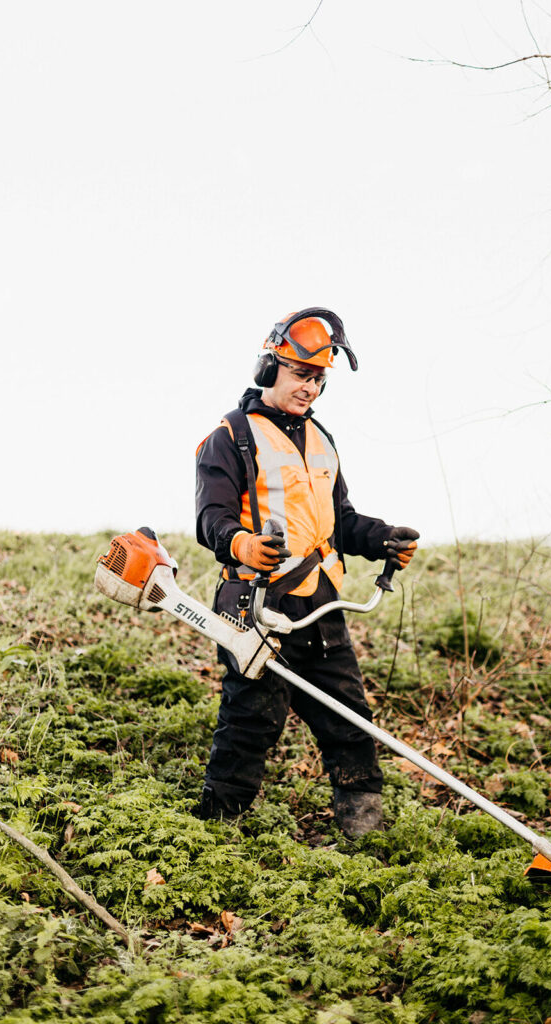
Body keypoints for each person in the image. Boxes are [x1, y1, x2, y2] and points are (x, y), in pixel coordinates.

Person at [195, 308, 419, 836]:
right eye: (301, 374)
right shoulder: (231, 436)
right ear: (269, 366)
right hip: (256, 606)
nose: (311, 388)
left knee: (349, 718)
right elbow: (211, 519)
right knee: (251, 722)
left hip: (321, 605)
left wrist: (381, 538)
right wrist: (242, 544)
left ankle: (364, 832)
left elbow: (337, 521)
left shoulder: (322, 441)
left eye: (319, 378)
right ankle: (212, 833)